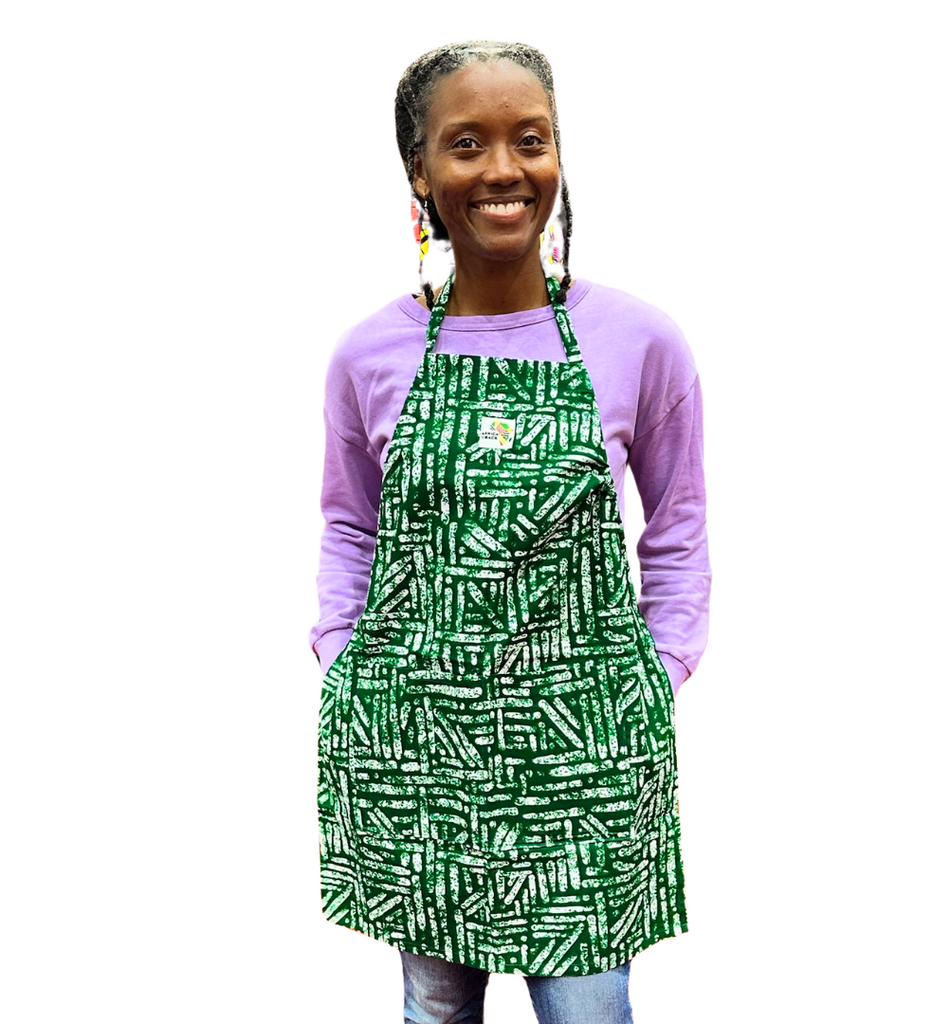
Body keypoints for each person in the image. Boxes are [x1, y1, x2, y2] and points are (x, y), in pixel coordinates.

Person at [311, 40, 711, 1024]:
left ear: (557, 156)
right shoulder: (370, 354)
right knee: (436, 1009)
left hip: (584, 751)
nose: (503, 168)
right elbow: (349, 523)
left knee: (586, 1009)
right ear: (419, 172)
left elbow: (678, 523)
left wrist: (658, 669)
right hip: (420, 747)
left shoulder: (639, 341)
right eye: (466, 144)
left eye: (530, 140)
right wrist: (343, 657)